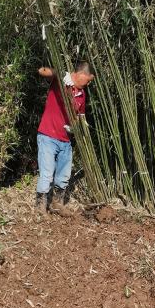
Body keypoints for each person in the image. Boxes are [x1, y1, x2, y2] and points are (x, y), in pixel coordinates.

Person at [35, 60, 94, 214]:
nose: (87, 84)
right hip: (48, 135)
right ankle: (40, 205)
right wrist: (59, 73)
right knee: (47, 173)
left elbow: (79, 117)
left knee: (63, 175)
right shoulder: (62, 81)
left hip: (65, 139)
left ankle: (57, 203)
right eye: (87, 80)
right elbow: (43, 71)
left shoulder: (81, 94)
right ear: (81, 74)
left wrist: (76, 127)